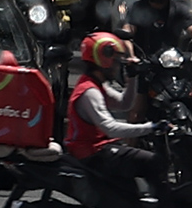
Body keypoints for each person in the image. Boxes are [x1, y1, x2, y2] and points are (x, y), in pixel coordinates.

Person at [63, 33, 166, 199]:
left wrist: (132, 79)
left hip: (98, 149)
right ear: (104, 59)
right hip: (91, 154)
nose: (119, 66)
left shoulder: (95, 85)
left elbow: (124, 103)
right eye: (117, 61)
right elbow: (110, 128)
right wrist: (151, 127)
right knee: (153, 161)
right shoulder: (89, 92)